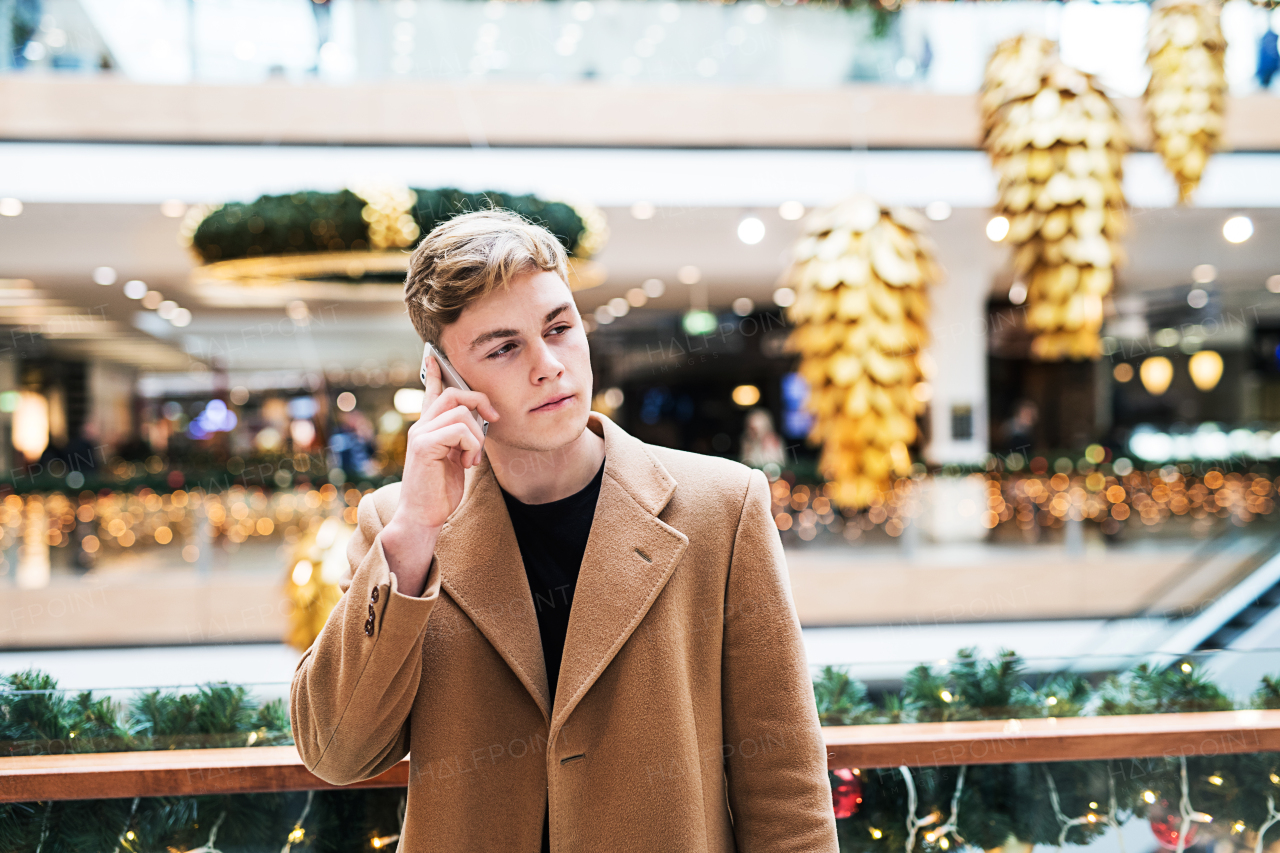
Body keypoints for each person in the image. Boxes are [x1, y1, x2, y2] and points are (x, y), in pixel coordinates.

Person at [290, 209, 837, 852]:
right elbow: (335, 752)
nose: (549, 365)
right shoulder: (399, 525)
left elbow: (785, 788)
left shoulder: (722, 506)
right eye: (504, 347)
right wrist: (414, 534)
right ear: (441, 376)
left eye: (559, 327)